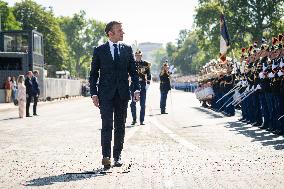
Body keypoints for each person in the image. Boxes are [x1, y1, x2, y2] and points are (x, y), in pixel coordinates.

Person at [89, 21, 140, 169]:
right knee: (106, 125)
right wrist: (93, 93)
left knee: (120, 126)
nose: (123, 33)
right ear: (110, 33)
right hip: (105, 94)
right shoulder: (99, 50)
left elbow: (134, 73)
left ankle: (117, 156)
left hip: (122, 94)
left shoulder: (127, 49)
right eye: (119, 31)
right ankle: (106, 156)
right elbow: (93, 74)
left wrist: (136, 90)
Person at [130, 49, 151, 125]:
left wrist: (147, 85)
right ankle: (134, 119)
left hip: (142, 84)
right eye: (136, 56)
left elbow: (148, 75)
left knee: (142, 104)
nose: (137, 57)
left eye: (139, 56)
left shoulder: (145, 64)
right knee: (133, 103)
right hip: (133, 85)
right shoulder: (132, 63)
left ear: (141, 56)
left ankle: (141, 120)